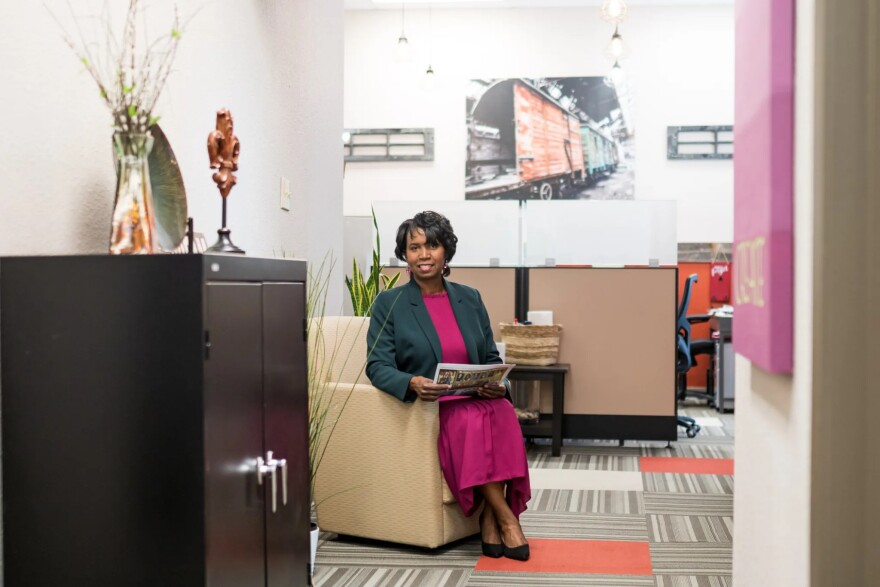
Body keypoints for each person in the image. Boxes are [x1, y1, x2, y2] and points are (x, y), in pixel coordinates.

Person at [366, 210, 531, 561]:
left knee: (502, 411)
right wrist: (411, 382)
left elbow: (488, 355)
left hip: (477, 395)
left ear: (446, 253)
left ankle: (489, 519)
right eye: (414, 247)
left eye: (432, 245)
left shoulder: (469, 298)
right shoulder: (389, 303)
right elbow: (376, 365)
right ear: (404, 255)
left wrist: (497, 383)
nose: (423, 255)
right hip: (436, 405)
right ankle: (505, 518)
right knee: (472, 420)